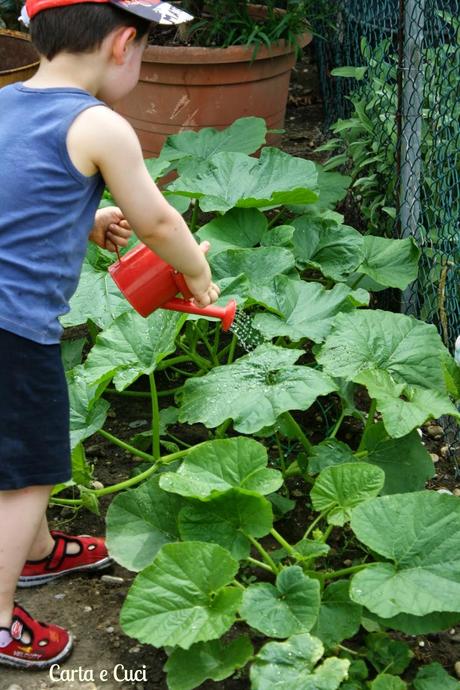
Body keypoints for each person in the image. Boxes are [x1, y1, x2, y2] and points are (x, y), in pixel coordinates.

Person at [0, 0, 220, 670]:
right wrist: (198, 272)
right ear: (124, 43)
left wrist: (86, 215)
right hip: (13, 329)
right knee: (25, 478)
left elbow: (22, 190)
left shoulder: (8, 101)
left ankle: (36, 555)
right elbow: (155, 222)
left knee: (18, 455)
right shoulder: (101, 124)